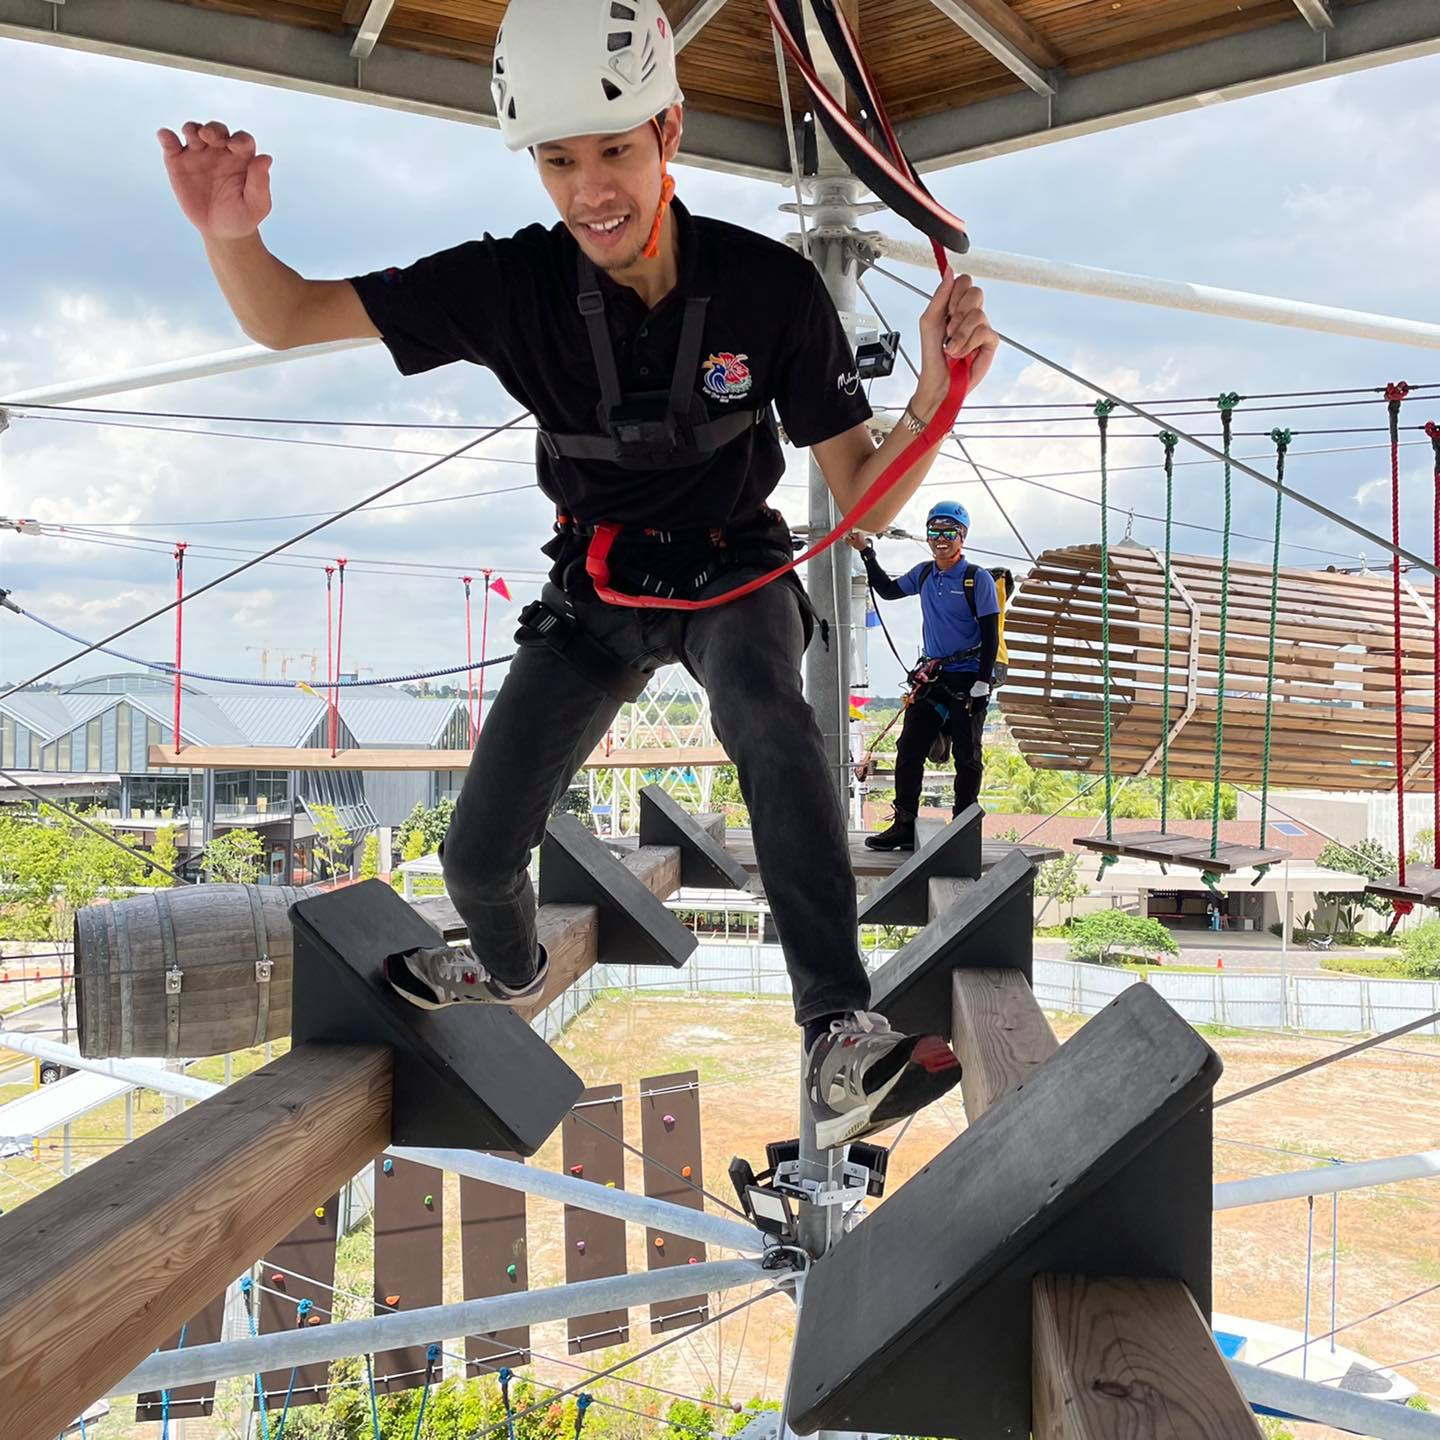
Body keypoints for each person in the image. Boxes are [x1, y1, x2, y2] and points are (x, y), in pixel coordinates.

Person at [156, 0, 998, 1148]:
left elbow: (859, 494)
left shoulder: (770, 291)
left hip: (733, 568)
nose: (591, 188)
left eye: (613, 151)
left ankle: (839, 1032)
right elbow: (290, 315)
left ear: (671, 134)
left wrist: (933, 402)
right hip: (597, 586)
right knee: (476, 853)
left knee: (770, 713)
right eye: (559, 160)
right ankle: (499, 966)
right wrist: (227, 238)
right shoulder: (512, 288)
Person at [848, 499, 999, 852]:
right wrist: (867, 553)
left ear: (962, 536)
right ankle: (904, 824)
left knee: (967, 754)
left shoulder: (977, 579)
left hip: (967, 677)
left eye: (949, 531)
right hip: (934, 676)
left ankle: (962, 824)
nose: (941, 538)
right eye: (935, 531)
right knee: (909, 746)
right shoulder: (925, 573)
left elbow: (992, 634)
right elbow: (887, 590)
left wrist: (982, 682)